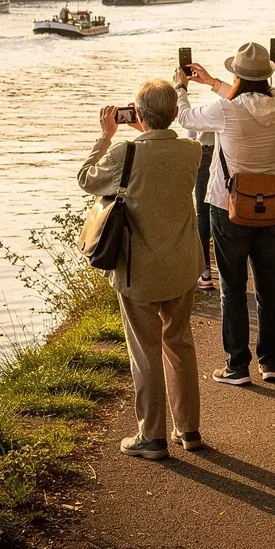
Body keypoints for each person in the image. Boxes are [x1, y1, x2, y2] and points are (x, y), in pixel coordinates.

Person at [78, 80, 203, 460]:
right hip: (183, 264)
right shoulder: (192, 151)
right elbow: (161, 154)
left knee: (145, 352)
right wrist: (150, 131)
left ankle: (152, 437)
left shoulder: (123, 152)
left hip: (140, 270)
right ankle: (189, 430)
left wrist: (105, 136)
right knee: (180, 345)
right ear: (173, 114)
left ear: (139, 114)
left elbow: (87, 179)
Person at [176, 43, 275, 386]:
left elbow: (184, 118)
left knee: (233, 287)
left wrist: (181, 87)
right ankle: (270, 362)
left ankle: (237, 366)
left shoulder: (225, 110)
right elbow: (246, 100)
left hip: (229, 206)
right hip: (272, 205)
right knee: (270, 285)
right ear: (268, 75)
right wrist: (210, 81)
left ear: (237, 75)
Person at [192, 130, 216, 289]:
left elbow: (185, 117)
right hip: (231, 149)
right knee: (227, 210)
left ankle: (205, 272)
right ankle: (230, 271)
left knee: (203, 215)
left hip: (207, 150)